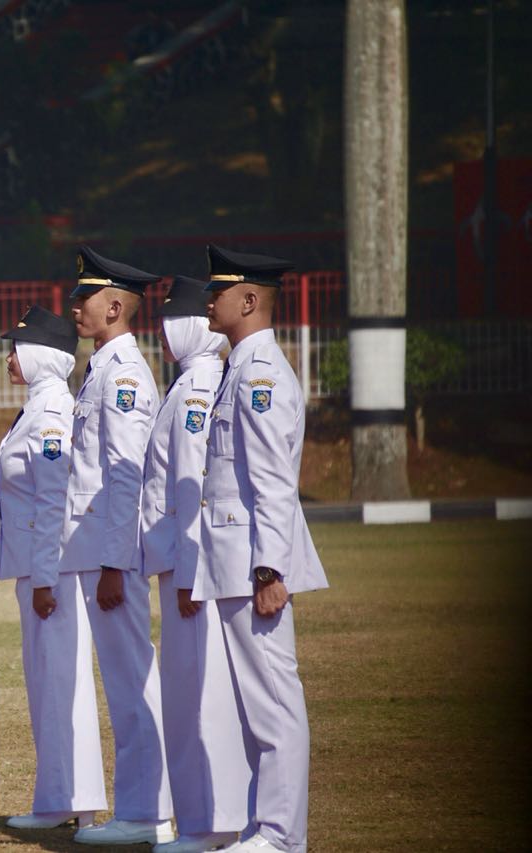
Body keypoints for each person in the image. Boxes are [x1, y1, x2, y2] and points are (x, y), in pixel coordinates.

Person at [194, 246, 329, 853]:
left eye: (218, 291)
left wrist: (270, 567)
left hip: (253, 562)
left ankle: (280, 835)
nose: (207, 300)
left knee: (274, 701)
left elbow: (274, 479)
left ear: (249, 301)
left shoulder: (261, 373)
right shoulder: (240, 366)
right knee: (256, 704)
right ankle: (262, 827)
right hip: (233, 558)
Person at [62, 247, 174, 847]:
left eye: (83, 298)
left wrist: (112, 562)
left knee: (132, 683)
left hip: (113, 556)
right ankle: (141, 809)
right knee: (124, 682)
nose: (74, 307)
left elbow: (127, 474)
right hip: (99, 550)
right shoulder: (102, 367)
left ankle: (147, 813)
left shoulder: (124, 373)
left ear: (113, 305)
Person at [141, 277, 250, 853]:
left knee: (197, 701)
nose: (159, 337)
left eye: (167, 325)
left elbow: (194, 490)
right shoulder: (189, 385)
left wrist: (190, 574)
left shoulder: (194, 390)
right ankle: (205, 823)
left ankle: (212, 825)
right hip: (183, 568)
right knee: (188, 700)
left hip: (191, 572)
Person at [0, 306, 108, 830]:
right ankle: (57, 797)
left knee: (64, 682)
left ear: (42, 355)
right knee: (46, 683)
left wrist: (44, 577)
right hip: (36, 569)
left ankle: (82, 804)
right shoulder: (36, 407)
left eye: (17, 348)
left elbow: (53, 501)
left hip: (53, 572)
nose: (8, 357)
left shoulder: (53, 412)